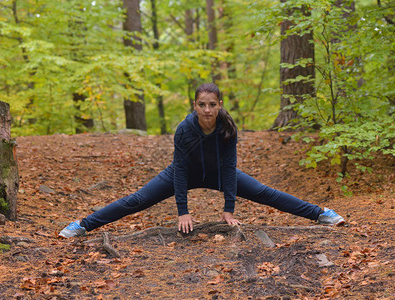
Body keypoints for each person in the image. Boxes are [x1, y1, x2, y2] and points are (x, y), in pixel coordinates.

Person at [59, 83, 345, 238]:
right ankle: (83, 224)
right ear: (194, 105)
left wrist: (229, 209)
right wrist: (183, 211)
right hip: (182, 173)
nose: (207, 109)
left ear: (219, 105)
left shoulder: (227, 127)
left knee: (263, 193)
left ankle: (321, 213)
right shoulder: (185, 129)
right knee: (138, 199)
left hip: (219, 175)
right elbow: (181, 170)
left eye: (212, 104)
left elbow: (230, 168)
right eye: (201, 104)